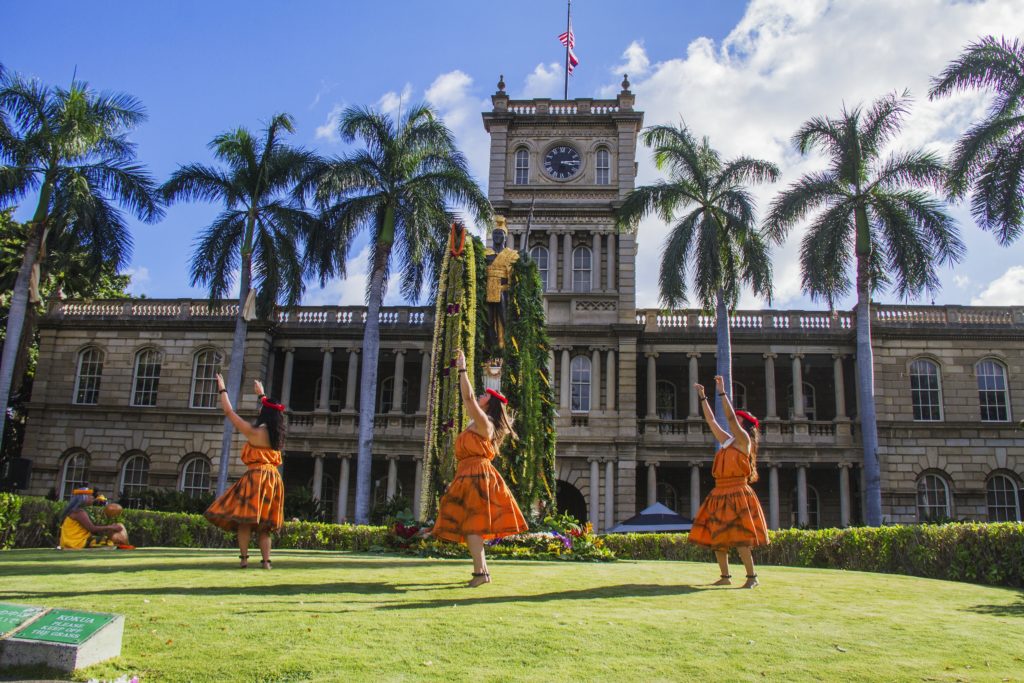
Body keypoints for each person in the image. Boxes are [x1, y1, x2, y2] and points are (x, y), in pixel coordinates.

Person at [431, 348, 528, 586]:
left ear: (489, 404)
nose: (482, 395)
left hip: (476, 475)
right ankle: (482, 572)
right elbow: (470, 400)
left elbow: (468, 398)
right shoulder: (478, 423)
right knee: (470, 526)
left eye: (486, 395)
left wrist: (462, 368)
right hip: (468, 474)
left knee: (472, 525)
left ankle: (480, 574)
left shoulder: (485, 423)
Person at [689, 375, 770, 588]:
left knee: (741, 538)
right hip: (720, 492)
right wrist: (703, 398)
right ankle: (725, 577)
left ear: (747, 425)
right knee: (719, 538)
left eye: (741, 419)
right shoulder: (727, 441)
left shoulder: (744, 442)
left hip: (737, 493)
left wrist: (723, 392)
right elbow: (712, 421)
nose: (737, 420)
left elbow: (730, 419)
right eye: (739, 418)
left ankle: (752, 577)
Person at [204, 375, 285, 569]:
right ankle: (266, 562)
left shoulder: (253, 432)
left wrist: (222, 389)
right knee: (265, 526)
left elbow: (229, 411)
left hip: (256, 477)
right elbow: (269, 410)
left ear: (263, 414)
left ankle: (244, 559)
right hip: (273, 479)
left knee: (245, 522)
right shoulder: (277, 436)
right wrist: (262, 395)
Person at [58, 487, 129, 550]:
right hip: (77, 543)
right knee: (108, 541)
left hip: (74, 541)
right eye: (90, 496)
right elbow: (92, 528)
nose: (92, 497)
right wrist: (111, 527)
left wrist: (107, 528)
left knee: (107, 538)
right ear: (83, 498)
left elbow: (91, 527)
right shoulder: (79, 512)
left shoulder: (77, 511)